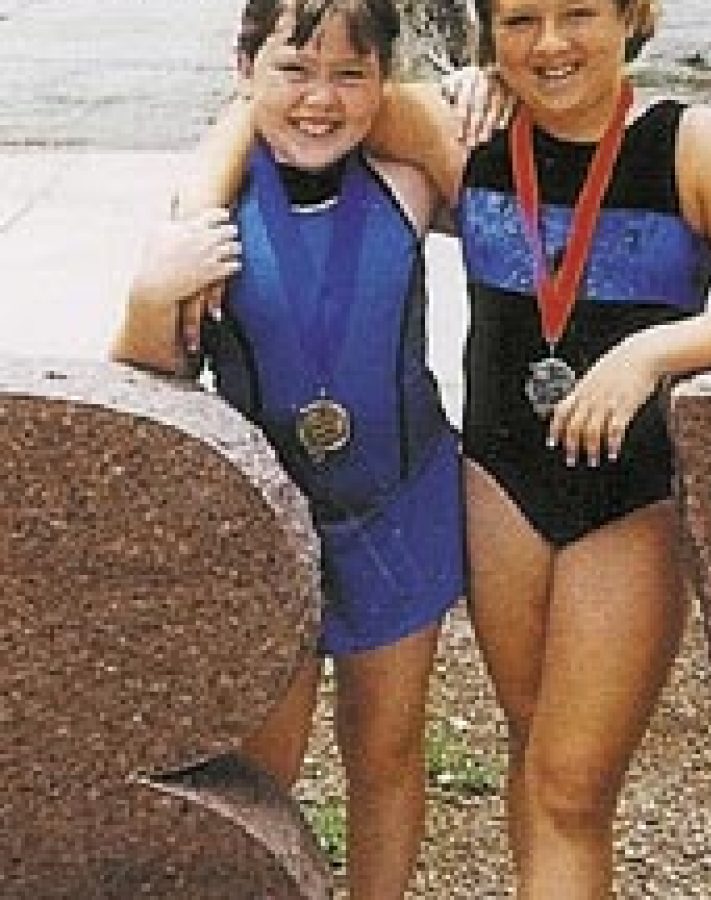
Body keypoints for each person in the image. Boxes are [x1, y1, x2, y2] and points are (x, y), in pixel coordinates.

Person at [171, 1, 711, 896]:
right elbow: (285, 87)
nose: (551, 43)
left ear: (634, 17)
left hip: (628, 498)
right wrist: (193, 218)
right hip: (500, 484)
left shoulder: (694, 147)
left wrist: (651, 353)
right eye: (521, 19)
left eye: (579, 14)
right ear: (489, 33)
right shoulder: (468, 129)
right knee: (533, 754)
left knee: (572, 787)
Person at [112, 2, 467, 898]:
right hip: (267, 530)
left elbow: (519, 195)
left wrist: (480, 89)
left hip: (401, 511)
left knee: (385, 752)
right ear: (244, 69)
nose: (320, 100)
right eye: (293, 71)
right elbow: (151, 379)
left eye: (351, 75)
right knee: (260, 773)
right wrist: (148, 300)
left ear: (384, 84)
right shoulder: (210, 211)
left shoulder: (408, 180)